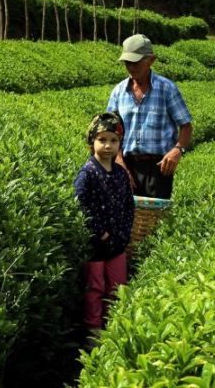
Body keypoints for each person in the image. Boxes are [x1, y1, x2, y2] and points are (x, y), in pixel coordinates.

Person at [107, 34, 193, 199]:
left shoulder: (167, 89)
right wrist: (118, 161)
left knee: (154, 221)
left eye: (136, 62)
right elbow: (110, 131)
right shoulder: (118, 91)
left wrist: (177, 150)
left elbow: (186, 126)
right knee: (126, 219)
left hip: (158, 168)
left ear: (151, 60)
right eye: (127, 63)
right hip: (126, 164)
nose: (131, 67)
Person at [74, 112, 135, 337]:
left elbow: (129, 205)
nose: (108, 145)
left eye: (113, 140)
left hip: (118, 244)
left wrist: (123, 233)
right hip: (96, 245)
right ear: (92, 142)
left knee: (117, 287)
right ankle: (94, 330)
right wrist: (100, 232)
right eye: (102, 140)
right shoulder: (87, 173)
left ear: (120, 143)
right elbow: (81, 205)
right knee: (95, 287)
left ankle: (114, 328)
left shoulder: (120, 173)